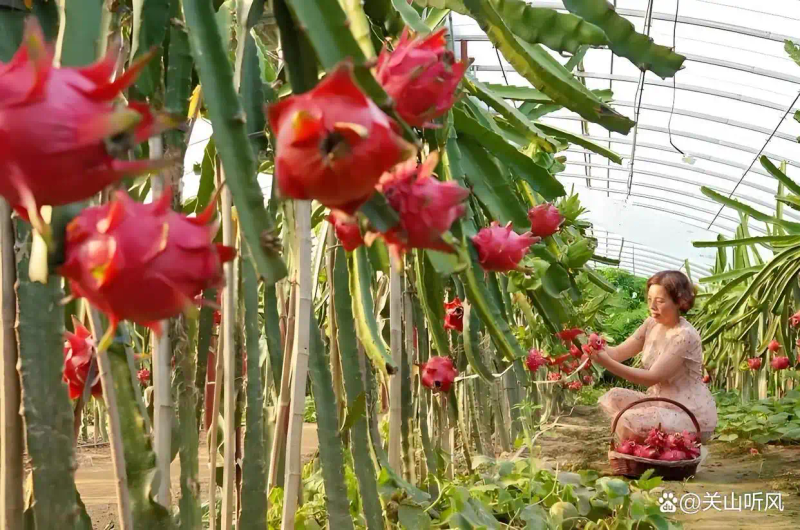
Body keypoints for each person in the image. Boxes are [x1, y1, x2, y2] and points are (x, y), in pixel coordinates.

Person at [590, 270, 717, 443]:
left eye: (660, 301)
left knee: (627, 419)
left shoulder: (684, 335)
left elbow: (651, 378)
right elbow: (618, 353)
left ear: (679, 302)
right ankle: (646, 446)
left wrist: (606, 362)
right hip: (659, 402)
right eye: (650, 300)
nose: (652, 307)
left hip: (688, 412)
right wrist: (595, 346)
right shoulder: (651, 324)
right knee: (614, 397)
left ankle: (658, 448)